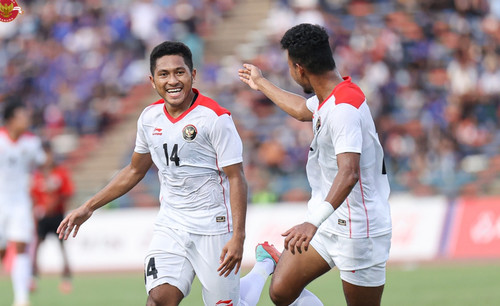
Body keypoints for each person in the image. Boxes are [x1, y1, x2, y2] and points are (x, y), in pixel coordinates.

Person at [57, 41, 280, 306]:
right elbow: (134, 170)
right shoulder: (149, 118)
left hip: (213, 227)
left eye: (179, 72)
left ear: (193, 75)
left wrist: (239, 236)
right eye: (164, 74)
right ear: (152, 81)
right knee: (159, 300)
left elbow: (236, 177)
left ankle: (264, 265)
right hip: (171, 225)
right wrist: (89, 206)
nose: (172, 80)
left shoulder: (215, 118)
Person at [238, 23, 392, 306]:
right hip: (328, 220)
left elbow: (349, 174)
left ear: (299, 69)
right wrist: (260, 82)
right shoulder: (330, 97)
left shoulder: (343, 109)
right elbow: (301, 109)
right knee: (281, 292)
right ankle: (274, 261)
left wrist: (311, 222)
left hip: (359, 229)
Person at [0, 100, 46, 306]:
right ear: (10, 120)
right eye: (21, 116)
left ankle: (21, 299)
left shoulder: (32, 143)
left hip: (20, 202)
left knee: (21, 245)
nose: (26, 119)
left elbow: (42, 164)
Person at [30, 141, 74, 293]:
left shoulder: (60, 172)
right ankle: (33, 278)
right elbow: (33, 197)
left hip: (57, 216)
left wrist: (57, 203)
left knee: (62, 248)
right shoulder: (37, 175)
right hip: (42, 217)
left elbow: (68, 192)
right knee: (36, 247)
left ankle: (66, 279)